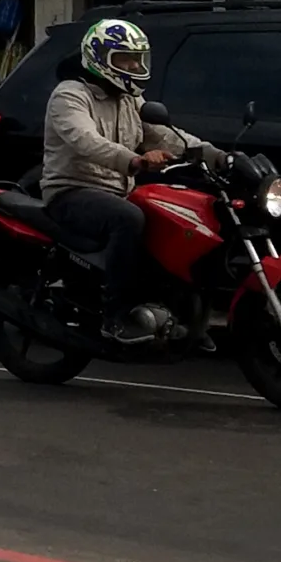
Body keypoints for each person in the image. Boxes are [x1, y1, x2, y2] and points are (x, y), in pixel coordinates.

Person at [43, 17, 227, 344]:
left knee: (175, 215)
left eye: (136, 58)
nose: (133, 66)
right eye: (124, 59)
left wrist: (217, 155)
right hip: (72, 191)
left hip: (118, 191)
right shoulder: (69, 95)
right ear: (98, 58)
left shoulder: (129, 99)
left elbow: (166, 136)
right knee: (128, 218)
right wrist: (135, 160)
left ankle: (180, 313)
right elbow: (85, 140)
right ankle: (115, 318)